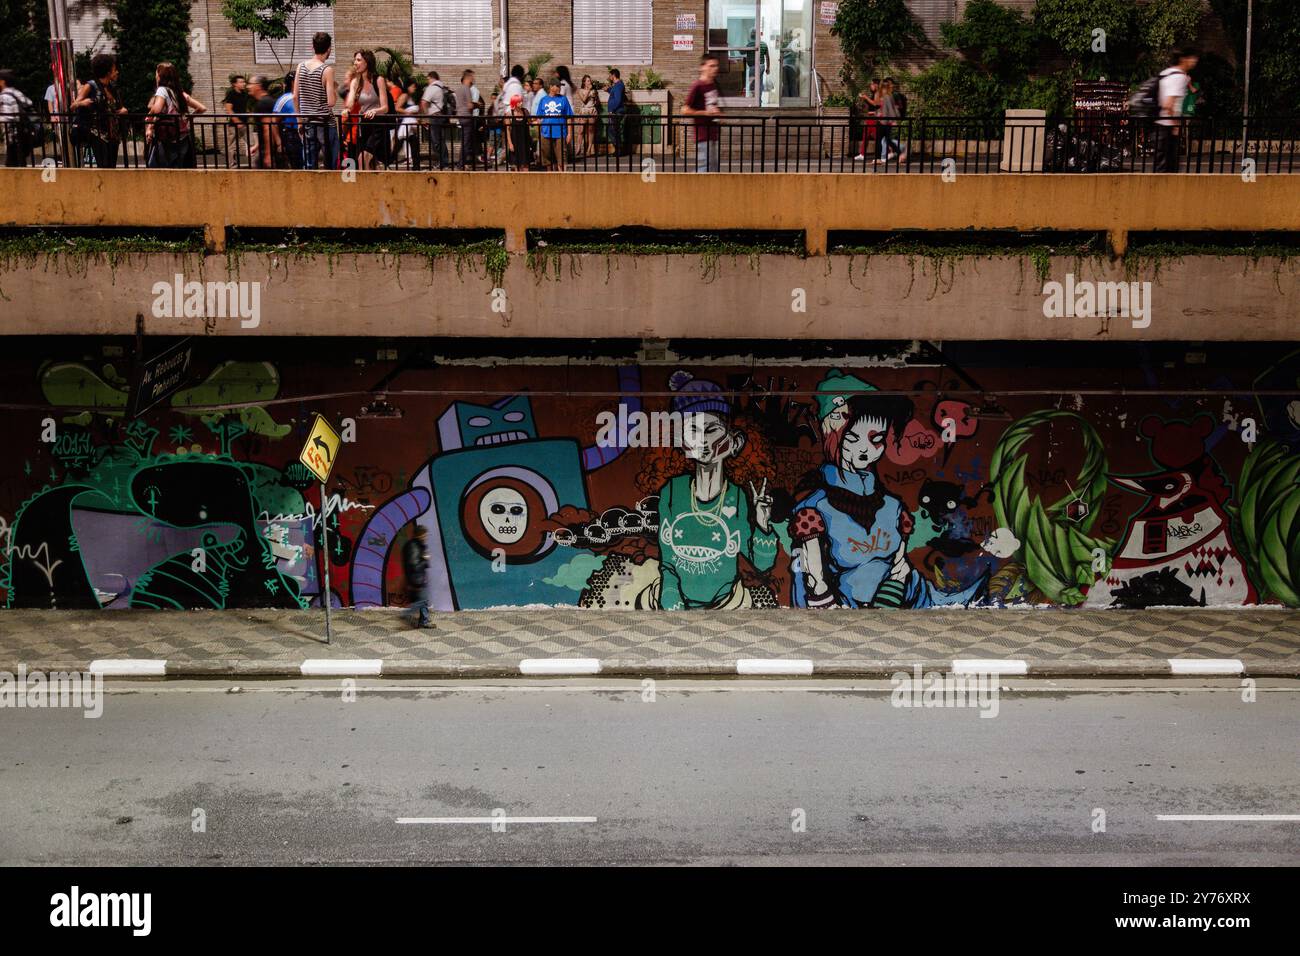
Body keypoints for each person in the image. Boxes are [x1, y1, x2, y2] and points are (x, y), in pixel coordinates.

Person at [790, 370, 986, 609]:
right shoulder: (816, 508)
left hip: (907, 598)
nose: (865, 450)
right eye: (852, 438)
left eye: (877, 439)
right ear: (832, 434)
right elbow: (812, 574)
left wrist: (898, 578)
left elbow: (899, 561)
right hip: (848, 609)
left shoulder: (891, 506)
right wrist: (823, 599)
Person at [71, 53, 127, 169]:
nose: (117, 72)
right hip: (98, 134)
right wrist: (83, 103)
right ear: (108, 72)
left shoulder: (112, 88)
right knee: (104, 167)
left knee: (112, 168)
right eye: (114, 69)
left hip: (113, 134)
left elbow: (116, 108)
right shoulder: (91, 85)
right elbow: (73, 105)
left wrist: (123, 110)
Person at [144, 62, 205, 168]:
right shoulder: (179, 92)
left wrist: (150, 116)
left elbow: (157, 109)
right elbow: (201, 108)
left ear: (160, 76)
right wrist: (186, 118)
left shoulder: (162, 90)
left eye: (156, 74)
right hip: (182, 138)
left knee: (154, 169)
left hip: (167, 140)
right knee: (178, 169)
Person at [293, 31, 339, 170]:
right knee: (330, 163)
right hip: (325, 123)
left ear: (312, 47)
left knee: (309, 164)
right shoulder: (327, 70)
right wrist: (334, 90)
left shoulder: (300, 66)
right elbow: (331, 102)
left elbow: (295, 96)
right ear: (329, 49)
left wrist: (299, 121)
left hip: (307, 123)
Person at [344, 50, 390, 169]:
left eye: (358, 60)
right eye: (355, 60)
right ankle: (372, 186)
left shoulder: (378, 80)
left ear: (367, 63)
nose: (355, 63)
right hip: (364, 125)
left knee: (362, 160)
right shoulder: (355, 82)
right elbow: (350, 103)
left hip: (377, 125)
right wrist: (347, 108)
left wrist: (375, 111)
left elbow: (385, 108)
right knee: (369, 164)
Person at [1155, 48, 1198, 173]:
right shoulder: (1178, 77)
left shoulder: (1166, 73)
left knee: (1162, 167)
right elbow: (1169, 104)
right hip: (1168, 126)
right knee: (1169, 169)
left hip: (1159, 123)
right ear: (1183, 59)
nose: (1194, 61)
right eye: (1192, 58)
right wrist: (1175, 126)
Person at [682, 54, 722, 172]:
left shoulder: (713, 85)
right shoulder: (697, 86)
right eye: (711, 66)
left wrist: (718, 113)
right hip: (702, 134)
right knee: (705, 168)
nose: (715, 68)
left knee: (714, 168)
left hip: (713, 132)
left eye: (716, 66)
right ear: (702, 67)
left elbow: (711, 105)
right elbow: (684, 109)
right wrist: (705, 113)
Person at [0, 70, 38, 167]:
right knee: (21, 164)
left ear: (2, 82)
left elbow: (7, 117)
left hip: (13, 136)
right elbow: (29, 104)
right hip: (25, 133)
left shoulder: (4, 96)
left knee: (12, 167)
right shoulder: (17, 92)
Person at [536, 77, 573, 171]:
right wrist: (539, 133)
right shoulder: (543, 100)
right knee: (547, 158)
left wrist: (569, 133)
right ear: (551, 87)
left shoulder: (563, 99)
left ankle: (563, 177)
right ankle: (550, 177)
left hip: (560, 133)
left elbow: (568, 117)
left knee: (561, 158)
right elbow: (539, 118)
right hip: (546, 133)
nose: (560, 88)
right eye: (558, 86)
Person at [402, 525, 434, 628]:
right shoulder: (414, 547)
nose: (426, 537)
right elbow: (415, 565)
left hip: (418, 577)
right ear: (419, 535)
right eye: (424, 535)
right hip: (417, 578)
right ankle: (405, 614)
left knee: (424, 600)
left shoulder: (417, 545)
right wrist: (424, 559)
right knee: (422, 601)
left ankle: (424, 621)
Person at [420, 70, 451, 168]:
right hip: (442, 116)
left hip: (434, 117)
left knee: (436, 141)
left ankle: (442, 162)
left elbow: (424, 102)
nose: (427, 81)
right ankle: (444, 161)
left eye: (428, 79)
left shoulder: (432, 88)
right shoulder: (443, 87)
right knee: (440, 140)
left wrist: (425, 116)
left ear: (431, 77)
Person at [454, 69, 484, 168]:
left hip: (460, 117)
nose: (473, 78)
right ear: (468, 77)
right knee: (467, 143)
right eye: (472, 76)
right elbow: (470, 106)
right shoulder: (467, 89)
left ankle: (463, 162)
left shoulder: (458, 89)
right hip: (467, 117)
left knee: (464, 142)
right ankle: (461, 164)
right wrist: (477, 105)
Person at [273, 71, 303, 168]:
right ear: (292, 82)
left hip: (307, 134)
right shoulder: (284, 99)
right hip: (292, 135)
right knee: (296, 164)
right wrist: (279, 143)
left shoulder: (304, 97)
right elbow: (274, 122)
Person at [874, 77, 906, 165]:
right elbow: (886, 109)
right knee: (887, 140)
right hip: (884, 121)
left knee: (880, 140)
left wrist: (893, 120)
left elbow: (890, 109)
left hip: (884, 122)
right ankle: (900, 154)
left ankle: (878, 158)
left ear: (883, 87)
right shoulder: (887, 96)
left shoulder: (887, 97)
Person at [221, 74, 252, 166]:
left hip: (244, 123)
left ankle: (254, 162)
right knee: (231, 146)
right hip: (234, 125)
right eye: (241, 82)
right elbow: (229, 109)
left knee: (251, 142)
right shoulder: (231, 94)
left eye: (244, 82)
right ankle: (231, 164)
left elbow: (246, 107)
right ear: (235, 84)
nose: (244, 84)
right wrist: (237, 121)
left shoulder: (244, 94)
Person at [248, 75, 277, 168]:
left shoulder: (263, 103)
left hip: (268, 150)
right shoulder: (267, 101)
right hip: (266, 148)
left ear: (258, 86)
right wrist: (257, 146)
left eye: (250, 84)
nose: (248, 86)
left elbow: (267, 128)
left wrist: (268, 154)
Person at [854, 79, 880, 162]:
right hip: (870, 117)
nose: (870, 86)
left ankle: (890, 151)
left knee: (877, 136)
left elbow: (875, 103)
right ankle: (862, 154)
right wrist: (864, 98)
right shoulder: (874, 94)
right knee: (866, 135)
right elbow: (871, 104)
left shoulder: (878, 93)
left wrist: (865, 97)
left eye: (872, 84)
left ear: (876, 85)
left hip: (874, 118)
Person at [573, 74, 598, 159]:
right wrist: (588, 91)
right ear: (584, 82)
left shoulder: (593, 90)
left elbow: (595, 100)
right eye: (588, 81)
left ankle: (589, 149)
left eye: (590, 80)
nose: (589, 82)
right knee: (581, 130)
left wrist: (595, 98)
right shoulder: (580, 90)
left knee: (591, 131)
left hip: (591, 110)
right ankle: (578, 147)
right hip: (584, 110)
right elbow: (584, 100)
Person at [504, 93, 530, 169]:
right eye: (519, 102)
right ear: (514, 103)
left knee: (525, 163)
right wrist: (510, 143)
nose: (521, 103)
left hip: (524, 140)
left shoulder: (525, 111)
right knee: (515, 164)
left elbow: (530, 122)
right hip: (515, 140)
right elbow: (508, 130)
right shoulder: (509, 114)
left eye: (521, 101)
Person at [605, 68, 627, 156]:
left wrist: (611, 110)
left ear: (613, 75)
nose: (609, 77)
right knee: (614, 130)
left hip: (616, 112)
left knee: (611, 130)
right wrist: (608, 90)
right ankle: (618, 150)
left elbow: (617, 100)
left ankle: (619, 150)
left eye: (610, 75)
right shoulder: (617, 85)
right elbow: (615, 94)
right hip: (616, 112)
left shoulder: (618, 85)